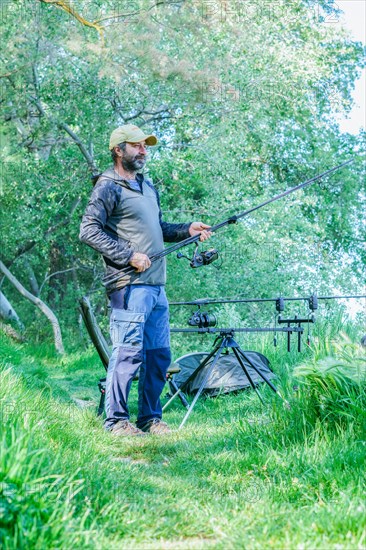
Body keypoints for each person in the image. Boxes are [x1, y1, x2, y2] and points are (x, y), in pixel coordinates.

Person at [79, 124, 212, 436]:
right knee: (127, 352)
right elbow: (88, 230)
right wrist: (128, 255)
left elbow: (159, 228)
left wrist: (187, 229)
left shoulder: (147, 186)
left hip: (156, 286)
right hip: (128, 285)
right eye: (136, 146)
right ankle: (115, 422)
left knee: (158, 355)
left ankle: (150, 419)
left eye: (145, 146)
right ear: (118, 150)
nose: (143, 151)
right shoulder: (108, 186)